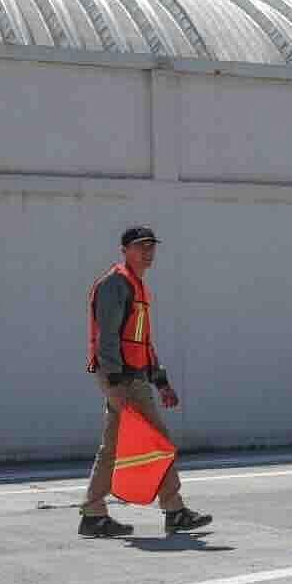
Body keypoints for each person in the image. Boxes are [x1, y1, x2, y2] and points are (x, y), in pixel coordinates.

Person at [81, 226, 212, 538]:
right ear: (124, 250)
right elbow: (107, 337)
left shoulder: (137, 286)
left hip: (132, 375)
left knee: (112, 447)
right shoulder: (116, 283)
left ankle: (93, 513)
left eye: (151, 246)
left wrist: (160, 381)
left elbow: (142, 341)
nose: (148, 252)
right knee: (158, 441)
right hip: (122, 377)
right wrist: (116, 381)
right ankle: (174, 510)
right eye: (141, 246)